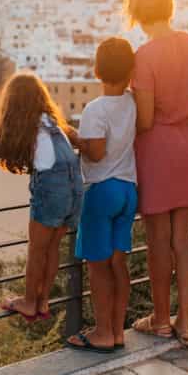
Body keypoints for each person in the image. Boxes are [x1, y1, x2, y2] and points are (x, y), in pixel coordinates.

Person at [127, 0, 188, 347]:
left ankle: (161, 319)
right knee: (184, 239)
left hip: (158, 149)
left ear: (135, 9)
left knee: (157, 239)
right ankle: (187, 323)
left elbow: (145, 119)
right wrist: (182, 103)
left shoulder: (144, 56)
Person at [0, 72, 84, 322]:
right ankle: (43, 301)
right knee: (52, 247)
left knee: (37, 249)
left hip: (53, 188)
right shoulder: (51, 122)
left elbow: (11, 147)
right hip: (75, 185)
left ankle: (30, 301)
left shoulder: (26, 127)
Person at [66, 37, 137, 353]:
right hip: (128, 189)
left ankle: (102, 332)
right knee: (118, 265)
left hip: (101, 191)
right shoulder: (133, 103)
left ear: (96, 70)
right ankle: (118, 331)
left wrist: (74, 138)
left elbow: (95, 153)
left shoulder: (95, 109)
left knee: (97, 267)